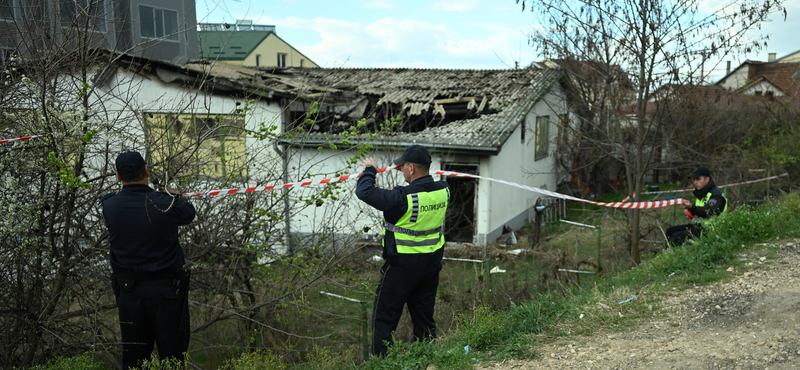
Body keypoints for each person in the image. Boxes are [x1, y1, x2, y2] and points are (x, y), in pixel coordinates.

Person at [100, 151, 196, 369]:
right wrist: (176, 196)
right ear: (146, 171)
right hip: (167, 294)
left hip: (129, 294)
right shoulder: (165, 203)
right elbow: (188, 214)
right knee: (172, 359)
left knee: (134, 361)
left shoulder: (109, 206)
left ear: (118, 176)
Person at [356, 145, 450, 357]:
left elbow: (364, 191)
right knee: (424, 321)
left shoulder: (402, 198)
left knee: (384, 321)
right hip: (430, 267)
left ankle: (382, 363)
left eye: (403, 167)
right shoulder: (443, 190)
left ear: (410, 168)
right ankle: (427, 360)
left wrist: (370, 170)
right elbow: (424, 187)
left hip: (401, 269)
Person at [665, 167, 727, 245]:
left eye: (698, 179)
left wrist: (691, 207)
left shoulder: (716, 195)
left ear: (707, 179)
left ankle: (679, 256)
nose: (695, 182)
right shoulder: (702, 194)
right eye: (694, 180)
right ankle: (669, 254)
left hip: (712, 231)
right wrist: (689, 212)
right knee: (670, 231)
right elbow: (699, 212)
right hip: (699, 227)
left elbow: (709, 211)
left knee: (676, 237)